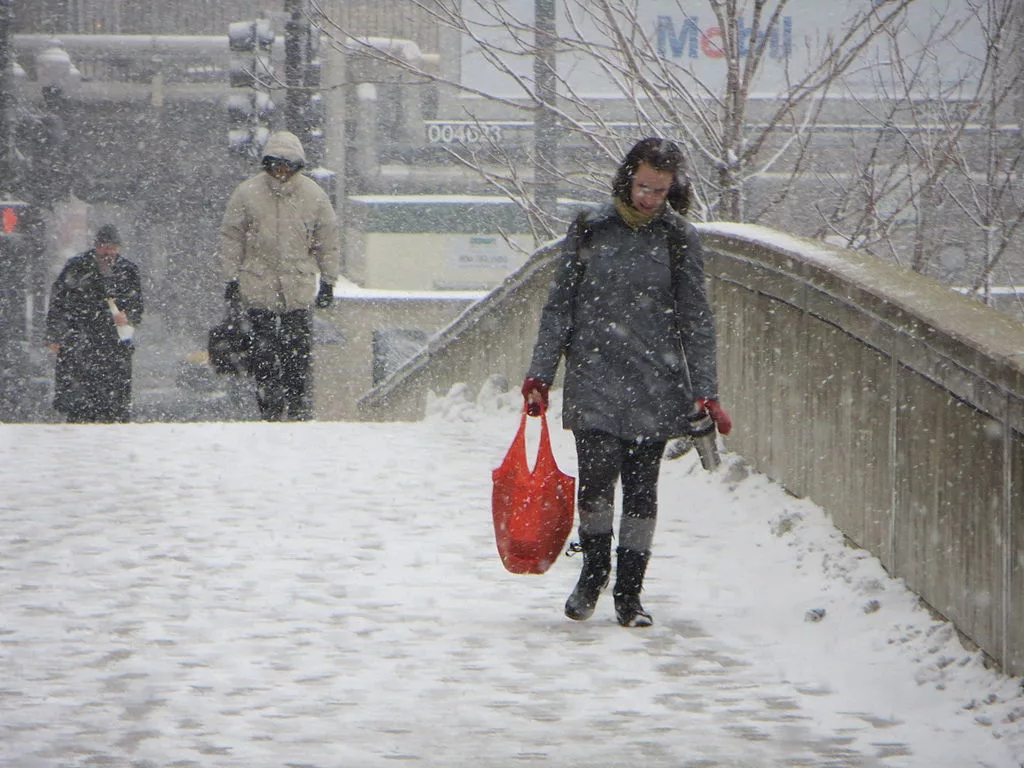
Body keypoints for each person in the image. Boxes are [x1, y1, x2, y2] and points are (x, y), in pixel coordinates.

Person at [522, 138, 733, 628]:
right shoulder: (591, 227)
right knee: (596, 484)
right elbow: (560, 305)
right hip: (594, 375)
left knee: (642, 490)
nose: (649, 199)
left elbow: (695, 318)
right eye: (643, 187)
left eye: (660, 191)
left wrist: (707, 390)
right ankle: (594, 572)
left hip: (655, 383)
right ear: (627, 179)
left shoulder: (679, 238)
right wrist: (540, 372)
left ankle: (629, 593)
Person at [219, 130, 341, 421]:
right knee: (262, 359)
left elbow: (328, 241)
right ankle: (269, 413)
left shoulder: (314, 196)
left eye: (287, 165)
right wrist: (231, 279)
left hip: (297, 292)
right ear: (267, 163)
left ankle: (298, 412)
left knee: (297, 359)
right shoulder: (247, 194)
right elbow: (230, 237)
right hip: (257, 289)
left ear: (297, 166)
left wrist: (328, 281)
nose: (281, 171)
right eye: (276, 164)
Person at [45, 224, 143, 423]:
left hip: (113, 344)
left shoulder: (128, 270)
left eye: (112, 247)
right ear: (96, 246)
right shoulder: (76, 267)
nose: (108, 252)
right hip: (81, 341)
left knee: (113, 405)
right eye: (104, 247)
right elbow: (59, 303)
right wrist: (55, 335)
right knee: (80, 404)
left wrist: (128, 317)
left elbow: (137, 305)